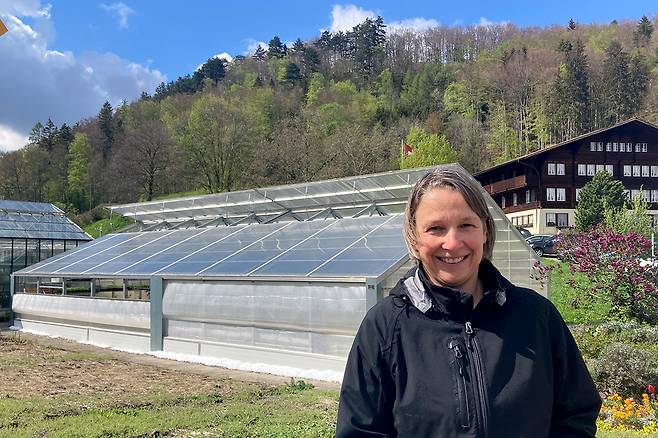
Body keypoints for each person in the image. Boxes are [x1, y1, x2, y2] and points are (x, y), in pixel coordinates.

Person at [336, 167, 601, 437]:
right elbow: (359, 430)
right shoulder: (385, 327)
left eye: (466, 225)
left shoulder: (536, 317)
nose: (452, 243)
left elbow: (576, 414)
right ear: (414, 238)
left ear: (485, 230)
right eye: (436, 229)